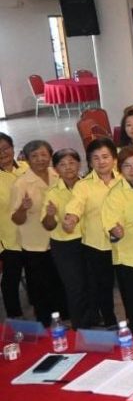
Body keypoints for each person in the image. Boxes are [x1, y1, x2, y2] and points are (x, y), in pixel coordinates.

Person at [63, 138, 119, 329]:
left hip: (126, 244)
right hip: (97, 245)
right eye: (96, 158)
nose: (101, 161)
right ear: (89, 161)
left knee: (131, 286)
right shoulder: (84, 185)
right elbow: (76, 204)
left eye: (105, 156)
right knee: (103, 287)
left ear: (114, 158)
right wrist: (71, 218)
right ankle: (110, 322)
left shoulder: (124, 180)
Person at [10, 140, 63, 326]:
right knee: (41, 288)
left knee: (60, 282)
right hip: (35, 244)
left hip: (59, 238)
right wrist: (23, 208)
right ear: (26, 159)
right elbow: (16, 219)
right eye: (34, 156)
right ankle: (45, 324)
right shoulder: (21, 184)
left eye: (43, 155)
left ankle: (64, 319)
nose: (40, 159)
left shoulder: (57, 174)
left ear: (50, 155)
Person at [101, 146, 133, 334]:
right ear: (120, 169)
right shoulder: (116, 193)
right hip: (130, 257)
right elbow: (111, 223)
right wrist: (116, 230)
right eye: (127, 165)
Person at [42, 149, 87, 329]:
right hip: (65, 245)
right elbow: (48, 225)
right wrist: (50, 215)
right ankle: (79, 326)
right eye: (62, 164)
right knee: (75, 287)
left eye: (72, 163)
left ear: (79, 164)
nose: (68, 167)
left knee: (91, 283)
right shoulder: (52, 192)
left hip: (89, 241)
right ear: (56, 169)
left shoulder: (88, 185)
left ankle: (92, 319)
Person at [0, 133, 26, 318]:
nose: (2, 153)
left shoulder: (26, 168)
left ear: (13, 147)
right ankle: (15, 316)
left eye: (5, 148)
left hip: (32, 234)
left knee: (38, 274)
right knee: (11, 279)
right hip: (7, 238)